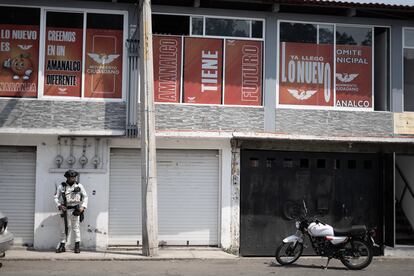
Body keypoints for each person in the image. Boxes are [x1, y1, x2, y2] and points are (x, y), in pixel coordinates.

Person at [54, 170, 88, 253]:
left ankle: (77, 246)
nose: (72, 178)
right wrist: (60, 205)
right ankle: (62, 246)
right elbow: (55, 197)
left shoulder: (79, 186)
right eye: (71, 177)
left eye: (74, 177)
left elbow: (86, 197)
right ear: (67, 177)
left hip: (75, 210)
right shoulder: (62, 186)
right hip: (65, 210)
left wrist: (83, 207)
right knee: (64, 228)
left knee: (76, 228)